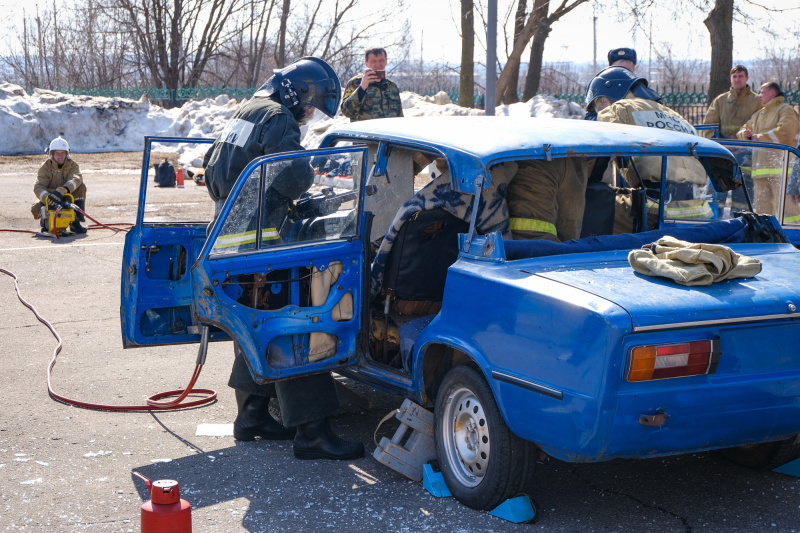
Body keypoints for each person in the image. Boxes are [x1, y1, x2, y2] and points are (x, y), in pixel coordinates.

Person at [203, 56, 364, 461]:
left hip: (229, 237)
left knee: (256, 323)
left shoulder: (246, 110)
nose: (308, 114)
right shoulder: (279, 118)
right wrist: (309, 181)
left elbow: (214, 169)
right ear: (298, 90)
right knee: (296, 326)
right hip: (262, 242)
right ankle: (312, 433)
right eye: (310, 105)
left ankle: (252, 415)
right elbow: (292, 175)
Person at [586, 66, 711, 228]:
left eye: (600, 103)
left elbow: (599, 158)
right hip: (700, 211)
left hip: (655, 208)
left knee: (592, 215)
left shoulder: (618, 110)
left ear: (608, 95)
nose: (601, 109)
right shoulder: (675, 116)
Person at [736, 81, 800, 216]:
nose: (759, 95)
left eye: (762, 92)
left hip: (782, 172)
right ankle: (766, 236)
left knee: (787, 211)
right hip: (760, 172)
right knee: (761, 212)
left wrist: (758, 138)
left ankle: (792, 234)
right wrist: (746, 135)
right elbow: (742, 130)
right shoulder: (759, 115)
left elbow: (785, 132)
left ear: (772, 93)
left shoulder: (786, 109)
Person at [31, 137, 87, 234]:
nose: (60, 156)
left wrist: (63, 190)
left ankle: (75, 222)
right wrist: (48, 198)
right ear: (52, 154)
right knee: (36, 208)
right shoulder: (45, 167)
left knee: (81, 186)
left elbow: (76, 178)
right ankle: (46, 222)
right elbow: (38, 186)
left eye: (63, 153)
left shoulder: (72, 165)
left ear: (67, 154)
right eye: (57, 153)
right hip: (51, 197)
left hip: (67, 195)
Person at [340, 47, 403, 122]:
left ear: (386, 61)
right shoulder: (355, 83)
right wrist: (362, 88)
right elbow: (346, 111)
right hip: (365, 132)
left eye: (381, 60)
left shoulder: (392, 87)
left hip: (387, 132)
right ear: (366, 63)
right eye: (373, 61)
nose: (378, 64)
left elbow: (400, 117)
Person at [703, 65, 762, 140]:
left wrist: (751, 137)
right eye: (734, 77)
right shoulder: (720, 100)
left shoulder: (758, 101)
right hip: (724, 148)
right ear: (730, 79)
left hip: (749, 147)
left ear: (747, 78)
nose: (737, 79)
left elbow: (763, 125)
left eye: (740, 76)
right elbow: (709, 125)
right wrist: (719, 143)